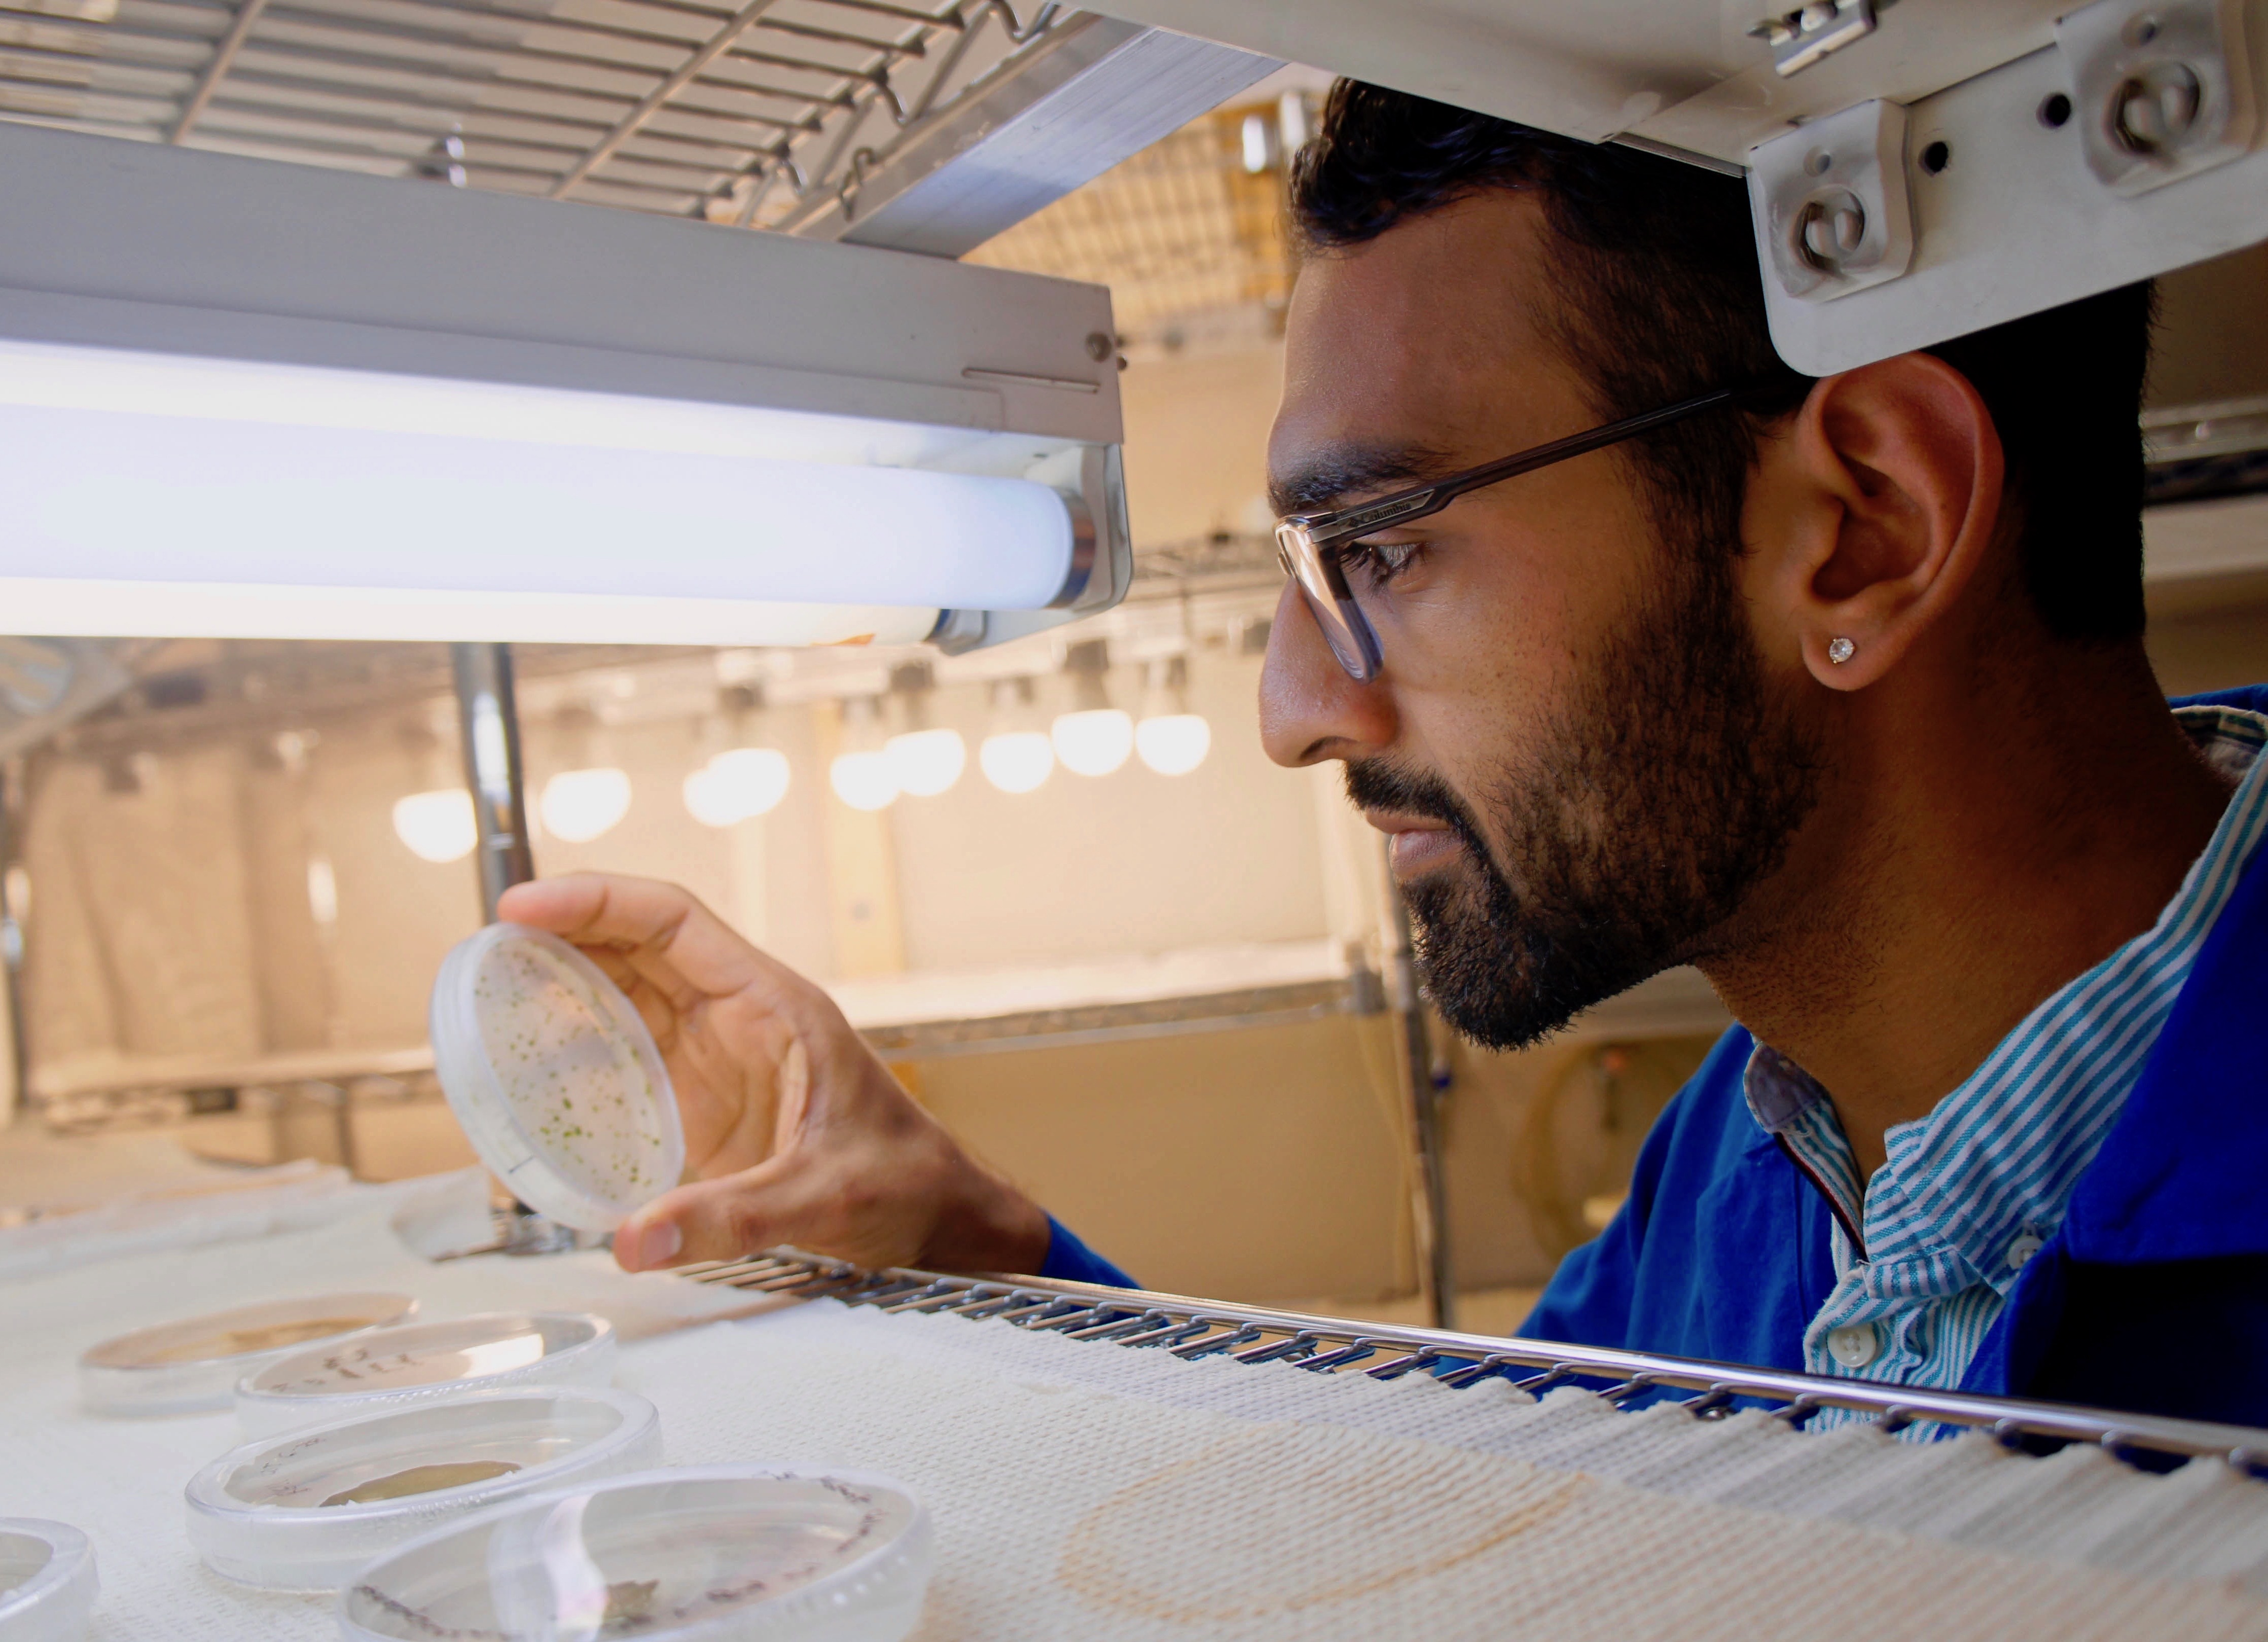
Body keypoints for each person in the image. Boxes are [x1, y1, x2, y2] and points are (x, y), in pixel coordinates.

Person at [499, 81, 2268, 1430]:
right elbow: (1469, 1522)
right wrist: (968, 1239)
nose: (1296, 711)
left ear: (1864, 529)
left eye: (1386, 547)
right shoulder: (1756, 1159)